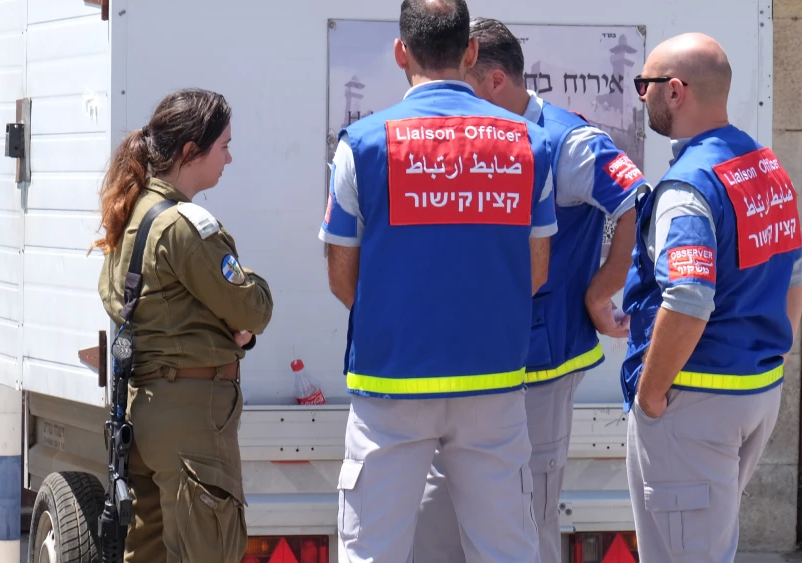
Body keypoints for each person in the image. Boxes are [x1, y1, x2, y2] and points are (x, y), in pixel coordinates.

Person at [318, 1, 558, 561]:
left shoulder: (361, 143)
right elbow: (537, 270)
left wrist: (399, 314)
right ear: (471, 52)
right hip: (493, 381)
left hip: (392, 383)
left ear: (401, 52)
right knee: (505, 548)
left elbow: (340, 276)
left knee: (373, 549)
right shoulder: (531, 143)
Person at [410, 17, 646, 563]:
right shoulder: (471, 138)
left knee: (525, 517)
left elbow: (640, 203)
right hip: (467, 362)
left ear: (494, 82)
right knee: (443, 514)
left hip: (539, 366)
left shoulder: (569, 143)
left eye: (460, 89)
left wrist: (601, 292)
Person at [622, 33, 802, 563]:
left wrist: (652, 396)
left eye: (646, 84)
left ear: (675, 91)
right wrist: (775, 351)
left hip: (693, 399)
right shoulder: (765, 166)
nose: (641, 96)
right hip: (753, 389)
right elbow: (796, 271)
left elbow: (688, 297)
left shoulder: (688, 186)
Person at [92, 88, 274, 563]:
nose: (229, 159)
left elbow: (124, 302)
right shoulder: (183, 225)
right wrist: (239, 320)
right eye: (224, 146)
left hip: (143, 413)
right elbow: (253, 309)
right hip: (193, 418)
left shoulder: (130, 212)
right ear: (192, 151)